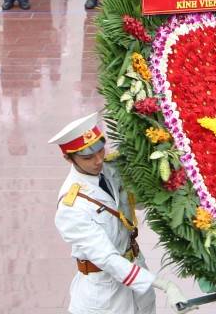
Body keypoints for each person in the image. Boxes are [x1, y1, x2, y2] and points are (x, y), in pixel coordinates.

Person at [50, 113, 186, 314]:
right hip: (106, 293)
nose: (98, 160)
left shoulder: (111, 169)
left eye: (100, 151)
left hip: (137, 276)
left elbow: (137, 201)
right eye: (88, 157)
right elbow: (107, 259)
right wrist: (166, 285)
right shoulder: (72, 207)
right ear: (68, 158)